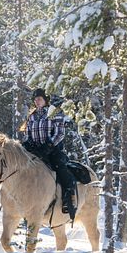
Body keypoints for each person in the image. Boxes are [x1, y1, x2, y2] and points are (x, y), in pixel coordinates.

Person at [22, 88, 77, 219]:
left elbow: (60, 133)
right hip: (35, 150)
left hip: (52, 150)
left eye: (39, 99)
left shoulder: (54, 113)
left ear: (45, 100)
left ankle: (68, 198)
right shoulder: (32, 116)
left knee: (60, 167)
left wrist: (50, 145)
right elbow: (27, 133)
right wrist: (28, 143)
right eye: (35, 100)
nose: (37, 101)